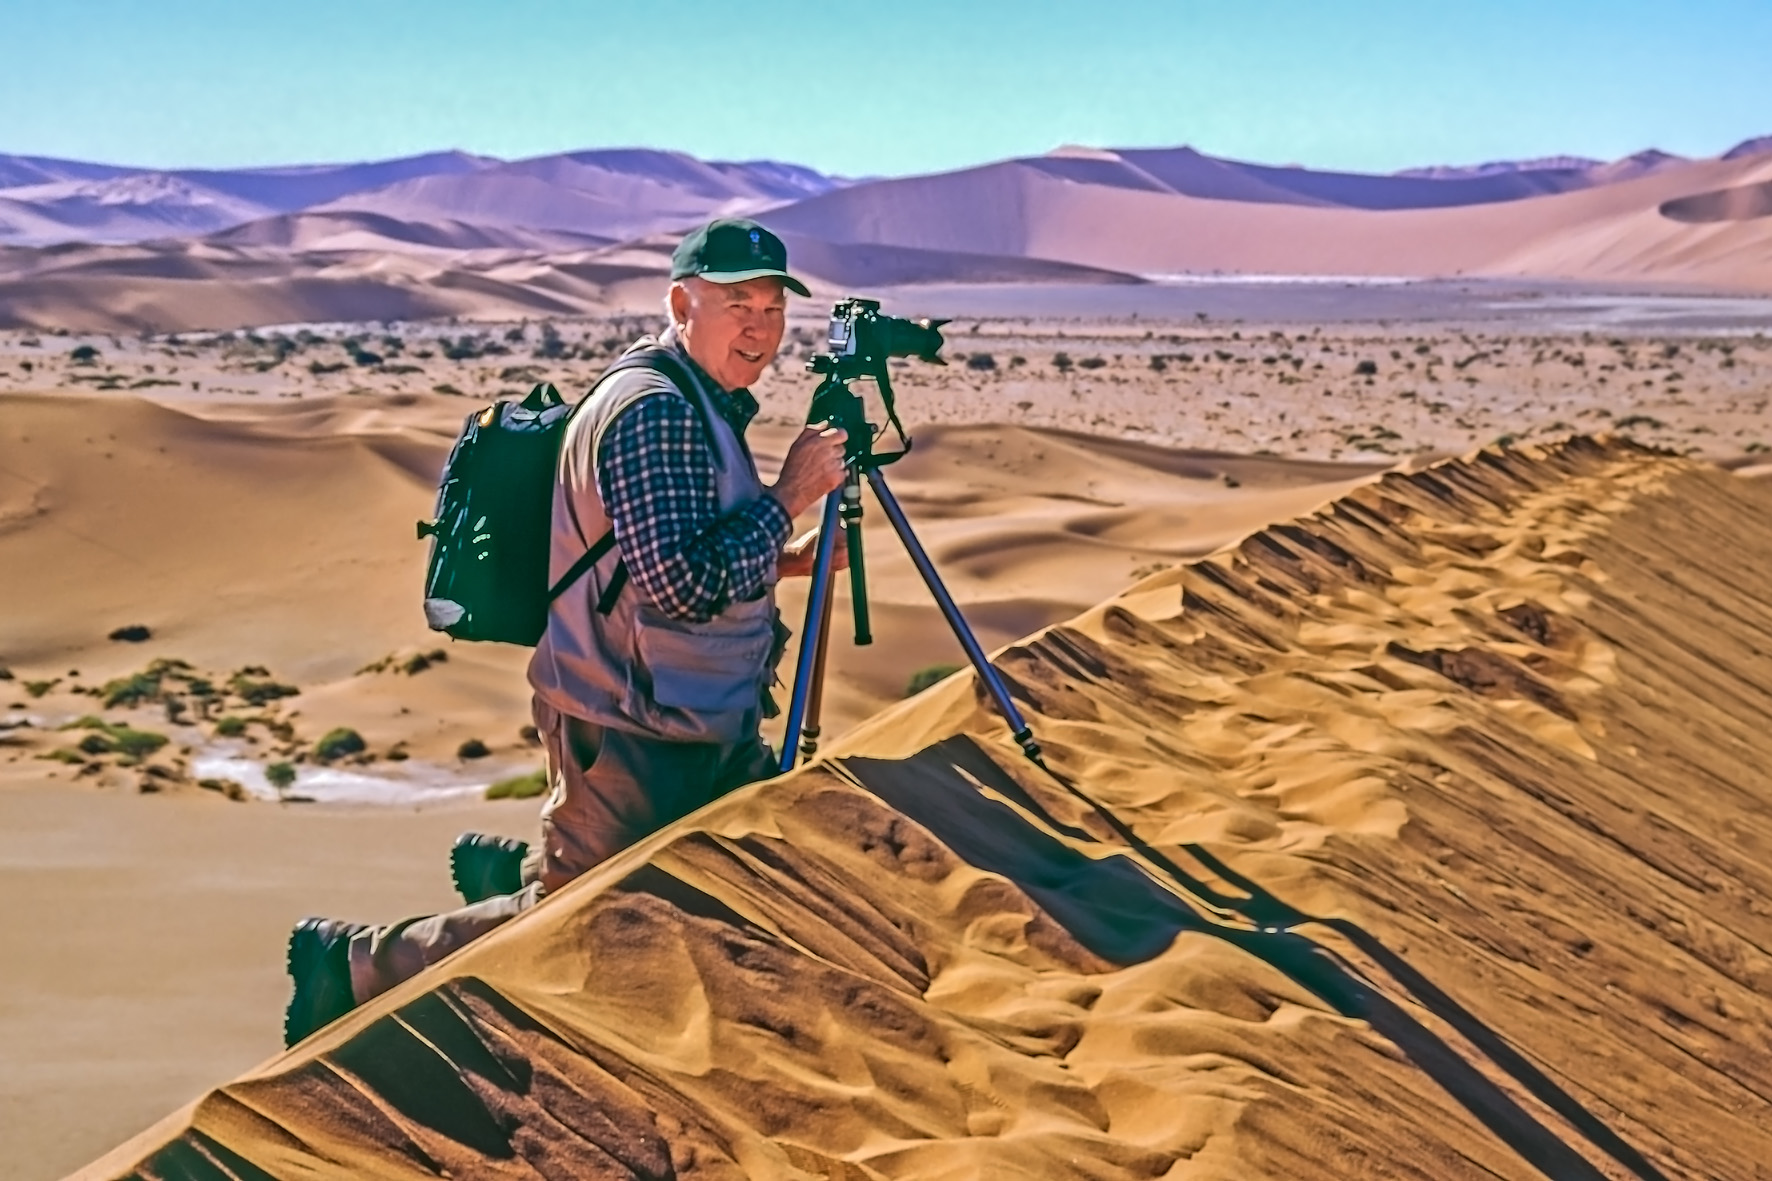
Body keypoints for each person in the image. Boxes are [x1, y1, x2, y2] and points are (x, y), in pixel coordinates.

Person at [284, 219, 847, 1046]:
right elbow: (680, 586)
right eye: (738, 305)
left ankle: (507, 865)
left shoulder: (697, 398)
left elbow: (666, 553)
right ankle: (354, 962)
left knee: (661, 885)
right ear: (681, 304)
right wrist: (789, 496)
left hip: (682, 710)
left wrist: (782, 557)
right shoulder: (654, 412)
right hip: (633, 718)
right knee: (575, 922)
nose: (760, 328)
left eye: (772, 308)